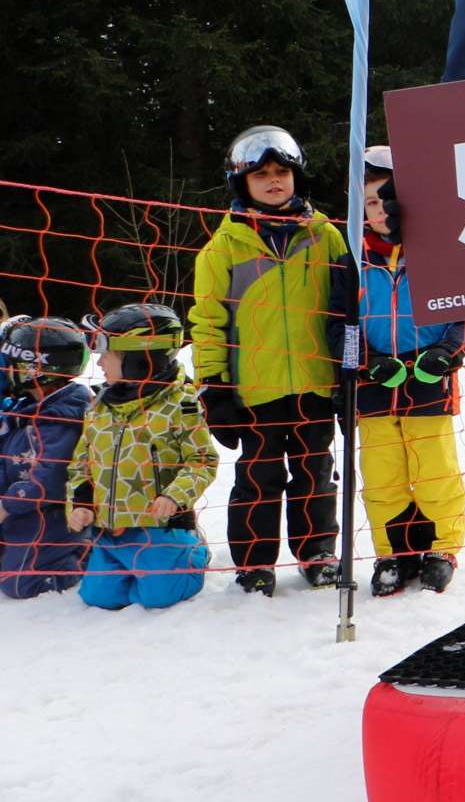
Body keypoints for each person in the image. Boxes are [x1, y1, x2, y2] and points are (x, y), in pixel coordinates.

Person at [188, 125, 350, 595]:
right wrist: (214, 388)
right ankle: (254, 563)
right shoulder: (224, 248)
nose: (274, 181)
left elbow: (346, 310)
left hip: (315, 382)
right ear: (243, 183)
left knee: (315, 473)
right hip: (254, 390)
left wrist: (346, 374)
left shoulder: (327, 238)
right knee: (259, 478)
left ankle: (317, 551)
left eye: (282, 172)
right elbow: (207, 322)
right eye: (261, 175)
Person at [351, 146, 465, 598]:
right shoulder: (352, 258)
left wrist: (448, 350)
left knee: (435, 468)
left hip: (427, 377)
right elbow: (337, 321)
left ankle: (440, 546)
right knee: (382, 471)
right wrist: (365, 361)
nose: (380, 209)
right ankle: (393, 550)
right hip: (376, 384)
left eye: (387, 197)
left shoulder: (437, 252)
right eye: (369, 202)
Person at [66, 304, 216, 611]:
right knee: (98, 597)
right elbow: (81, 462)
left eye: (108, 353)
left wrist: (175, 496)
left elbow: (202, 460)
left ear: (140, 359)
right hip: (110, 530)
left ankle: (192, 550)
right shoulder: (99, 406)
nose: (100, 361)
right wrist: (80, 502)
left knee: (157, 597)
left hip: (158, 527)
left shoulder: (179, 404)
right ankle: (133, 566)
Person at [1, 315, 93, 597]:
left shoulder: (62, 415)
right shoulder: (24, 405)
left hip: (52, 513)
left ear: (35, 369)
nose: (6, 370)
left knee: (18, 584)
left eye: (13, 364)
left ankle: (87, 554)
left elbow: (51, 479)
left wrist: (7, 506)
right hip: (19, 506)